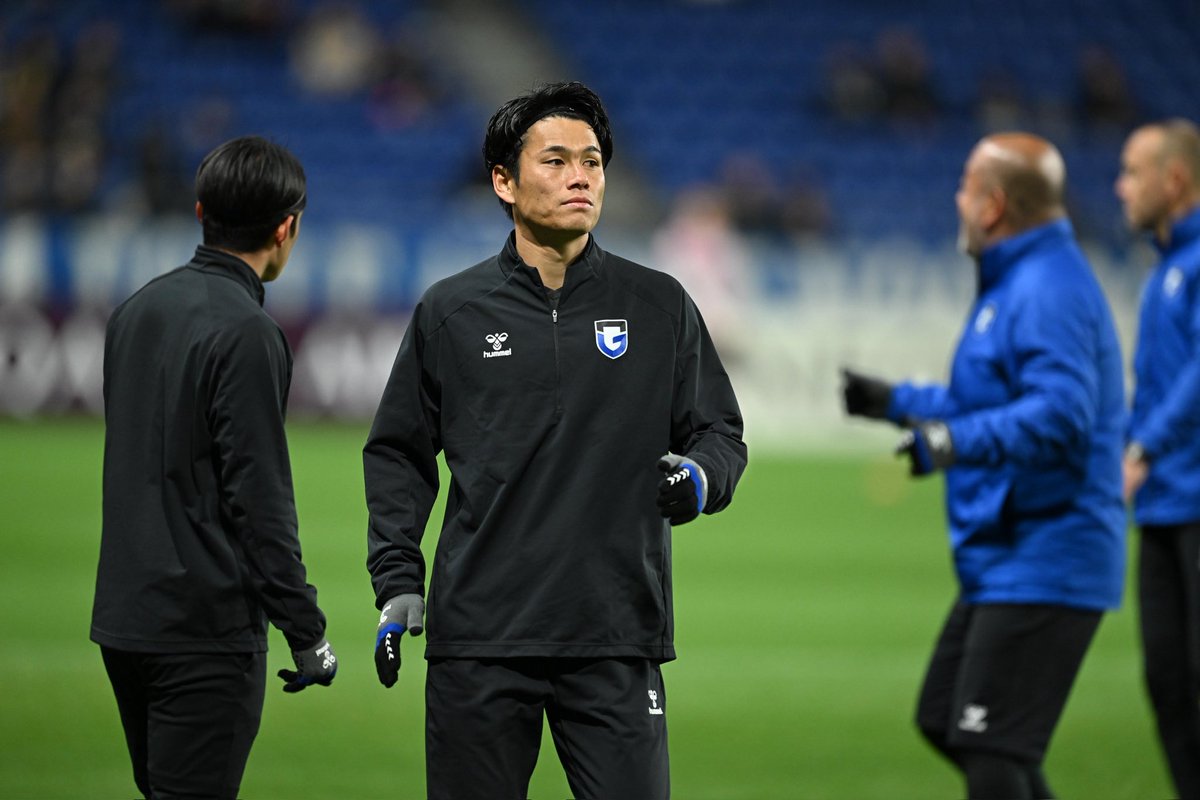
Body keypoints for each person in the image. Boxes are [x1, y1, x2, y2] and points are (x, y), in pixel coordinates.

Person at [364, 81, 747, 800]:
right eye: (557, 160)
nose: (581, 176)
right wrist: (397, 583)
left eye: (594, 161)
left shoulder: (659, 304)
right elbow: (399, 452)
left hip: (614, 636)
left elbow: (718, 430)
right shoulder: (451, 311)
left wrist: (701, 479)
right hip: (480, 638)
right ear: (503, 182)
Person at [842, 132, 1126, 799]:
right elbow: (987, 400)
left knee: (990, 742)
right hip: (1013, 553)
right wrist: (898, 403)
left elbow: (1062, 415)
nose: (956, 198)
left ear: (994, 206)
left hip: (1049, 550)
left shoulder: (1047, 290)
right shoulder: (1021, 283)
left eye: (967, 185)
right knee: (948, 719)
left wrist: (948, 443)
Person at [91, 135, 337, 799]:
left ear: (201, 213)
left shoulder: (133, 311)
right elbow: (258, 500)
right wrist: (306, 631)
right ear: (286, 228)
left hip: (125, 620)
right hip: (202, 631)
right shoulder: (249, 334)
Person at [1115, 118, 1200, 800]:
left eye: (1133, 172)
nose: (1121, 186)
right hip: (1165, 504)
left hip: (1193, 498)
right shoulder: (1166, 267)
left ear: (1174, 180)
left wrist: (1143, 446)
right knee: (1170, 686)